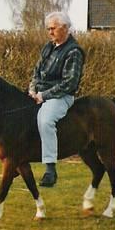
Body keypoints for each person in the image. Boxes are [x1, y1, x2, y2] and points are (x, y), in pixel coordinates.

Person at [28, 11, 84, 187]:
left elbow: (69, 83)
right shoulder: (48, 47)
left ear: (65, 28)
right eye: (48, 29)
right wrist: (32, 88)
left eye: (53, 28)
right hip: (40, 94)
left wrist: (43, 96)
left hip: (61, 97)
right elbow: (37, 72)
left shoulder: (74, 52)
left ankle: (50, 169)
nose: (50, 32)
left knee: (45, 121)